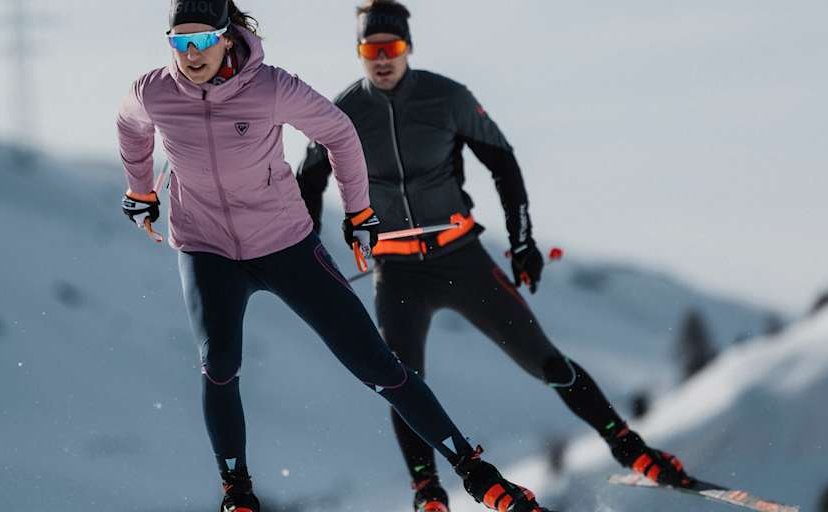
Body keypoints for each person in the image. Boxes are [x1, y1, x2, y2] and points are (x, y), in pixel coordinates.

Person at [116, 1, 556, 511]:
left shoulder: (270, 87)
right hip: (205, 246)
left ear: (226, 36)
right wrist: (140, 189)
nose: (192, 54)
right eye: (180, 43)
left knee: (376, 365)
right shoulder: (154, 91)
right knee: (218, 363)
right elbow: (130, 124)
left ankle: (478, 475)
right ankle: (237, 494)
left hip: (284, 243)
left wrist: (358, 210)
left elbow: (339, 133)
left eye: (202, 41)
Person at [295, 1, 693, 510]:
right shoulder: (343, 112)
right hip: (397, 273)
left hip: (461, 260)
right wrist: (310, 255)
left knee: (546, 362)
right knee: (402, 382)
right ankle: (428, 492)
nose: (382, 59)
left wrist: (522, 241)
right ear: (359, 53)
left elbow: (502, 162)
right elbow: (308, 181)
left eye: (390, 47)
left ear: (407, 47)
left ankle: (631, 448)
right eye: (371, 50)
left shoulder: (447, 97)